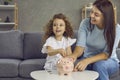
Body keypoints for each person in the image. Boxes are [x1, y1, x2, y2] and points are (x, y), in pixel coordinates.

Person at [69, 0, 120, 80]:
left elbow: (106, 54)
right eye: (91, 12)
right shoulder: (85, 23)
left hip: (109, 61)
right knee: (75, 67)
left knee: (99, 65)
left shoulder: (116, 29)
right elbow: (80, 46)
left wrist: (87, 61)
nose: (92, 16)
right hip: (88, 58)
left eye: (96, 14)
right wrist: (72, 57)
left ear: (105, 17)